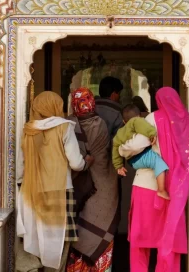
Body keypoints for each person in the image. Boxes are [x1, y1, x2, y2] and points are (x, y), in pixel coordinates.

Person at [120, 87, 189, 272]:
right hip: (175, 194)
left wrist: (122, 149)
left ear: (158, 101)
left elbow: (135, 146)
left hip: (146, 188)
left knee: (140, 243)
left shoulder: (152, 118)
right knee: (168, 244)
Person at [17, 91, 94, 272]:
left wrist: (21, 184)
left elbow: (20, 166)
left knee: (36, 235)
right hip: (60, 190)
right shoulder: (65, 127)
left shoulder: (28, 130)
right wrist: (87, 163)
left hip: (31, 191)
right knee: (59, 240)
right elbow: (76, 163)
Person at [66, 88, 119, 272]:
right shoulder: (100, 124)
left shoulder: (68, 125)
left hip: (77, 184)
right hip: (103, 185)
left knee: (78, 231)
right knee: (100, 227)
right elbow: (101, 156)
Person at [112, 104, 169, 200]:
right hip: (141, 156)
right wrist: (152, 134)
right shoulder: (137, 121)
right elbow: (145, 128)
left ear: (123, 121)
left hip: (132, 161)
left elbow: (115, 148)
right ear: (139, 116)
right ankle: (161, 190)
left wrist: (118, 166)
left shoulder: (119, 133)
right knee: (159, 163)